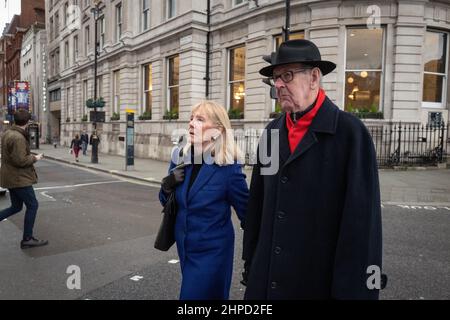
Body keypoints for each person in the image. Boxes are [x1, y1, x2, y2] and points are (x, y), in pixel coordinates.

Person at [242, 39, 384, 299]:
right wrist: (251, 262)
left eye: (287, 75)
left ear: (314, 77)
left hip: (317, 285)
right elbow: (259, 205)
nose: (279, 85)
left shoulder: (350, 134)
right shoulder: (272, 133)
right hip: (267, 282)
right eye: (276, 78)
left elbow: (362, 229)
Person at [159, 100, 249, 300]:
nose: (191, 123)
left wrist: (253, 258)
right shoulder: (181, 158)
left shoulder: (228, 169)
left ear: (217, 130)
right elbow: (166, 202)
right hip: (185, 249)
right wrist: (167, 185)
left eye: (200, 119)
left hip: (213, 253)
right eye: (191, 118)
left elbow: (249, 215)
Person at [0, 108, 48, 249]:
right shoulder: (18, 137)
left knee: (16, 206)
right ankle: (27, 239)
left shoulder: (8, 133)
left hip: (10, 177)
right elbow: (21, 161)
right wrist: (35, 157)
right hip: (19, 178)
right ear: (27, 122)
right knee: (33, 205)